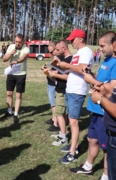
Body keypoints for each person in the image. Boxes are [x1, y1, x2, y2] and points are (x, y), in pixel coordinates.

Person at [70, 31, 116, 180]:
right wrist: (93, 75)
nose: (100, 49)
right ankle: (88, 167)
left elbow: (112, 88)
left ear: (112, 44)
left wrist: (90, 80)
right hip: (95, 108)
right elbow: (103, 80)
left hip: (105, 110)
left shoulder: (115, 61)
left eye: (103, 46)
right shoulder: (106, 59)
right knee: (92, 139)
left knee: (106, 148)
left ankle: (106, 174)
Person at [57, 29, 93, 164]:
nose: (71, 41)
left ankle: (73, 152)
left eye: (73, 39)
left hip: (77, 91)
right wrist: (63, 67)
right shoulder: (78, 53)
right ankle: (74, 144)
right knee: (71, 121)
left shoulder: (86, 52)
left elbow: (82, 69)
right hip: (71, 89)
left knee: (73, 122)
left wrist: (67, 65)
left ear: (81, 39)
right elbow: (74, 68)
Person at [47, 40, 72, 146]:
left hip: (63, 89)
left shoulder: (70, 60)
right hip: (59, 88)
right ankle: (61, 133)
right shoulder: (64, 59)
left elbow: (67, 76)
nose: (56, 52)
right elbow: (60, 72)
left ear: (64, 48)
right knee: (60, 113)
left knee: (59, 113)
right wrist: (50, 72)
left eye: (57, 49)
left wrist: (54, 74)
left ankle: (63, 137)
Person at [2, 34, 30, 123]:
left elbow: (24, 57)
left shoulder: (26, 48)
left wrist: (17, 61)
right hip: (11, 73)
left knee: (18, 95)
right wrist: (10, 53)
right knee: (9, 93)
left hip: (21, 74)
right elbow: (4, 59)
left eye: (19, 42)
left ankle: (16, 114)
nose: (17, 44)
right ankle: (9, 111)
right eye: (16, 41)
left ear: (23, 42)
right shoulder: (11, 47)